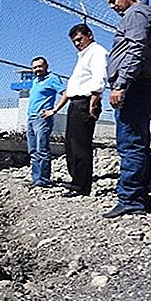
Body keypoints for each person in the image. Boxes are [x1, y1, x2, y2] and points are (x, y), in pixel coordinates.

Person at [103, 0, 151, 219]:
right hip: (142, 85)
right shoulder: (145, 14)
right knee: (138, 143)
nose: (113, 6)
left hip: (135, 86)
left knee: (130, 145)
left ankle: (130, 199)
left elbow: (136, 48)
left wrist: (122, 84)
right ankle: (138, 196)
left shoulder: (136, 14)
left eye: (114, 0)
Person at [45, 24, 108, 197]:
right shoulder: (83, 55)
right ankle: (76, 180)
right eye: (74, 41)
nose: (77, 43)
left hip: (86, 102)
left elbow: (99, 76)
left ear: (90, 35)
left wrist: (94, 101)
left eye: (80, 39)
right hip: (76, 102)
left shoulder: (97, 52)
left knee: (81, 145)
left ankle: (82, 186)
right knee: (71, 145)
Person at [26, 57, 66, 187]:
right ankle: (36, 178)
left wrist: (53, 110)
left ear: (46, 66)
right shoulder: (36, 81)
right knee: (33, 150)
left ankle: (43, 179)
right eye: (35, 67)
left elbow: (66, 93)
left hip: (42, 119)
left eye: (40, 66)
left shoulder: (53, 79)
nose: (37, 69)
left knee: (42, 149)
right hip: (31, 118)